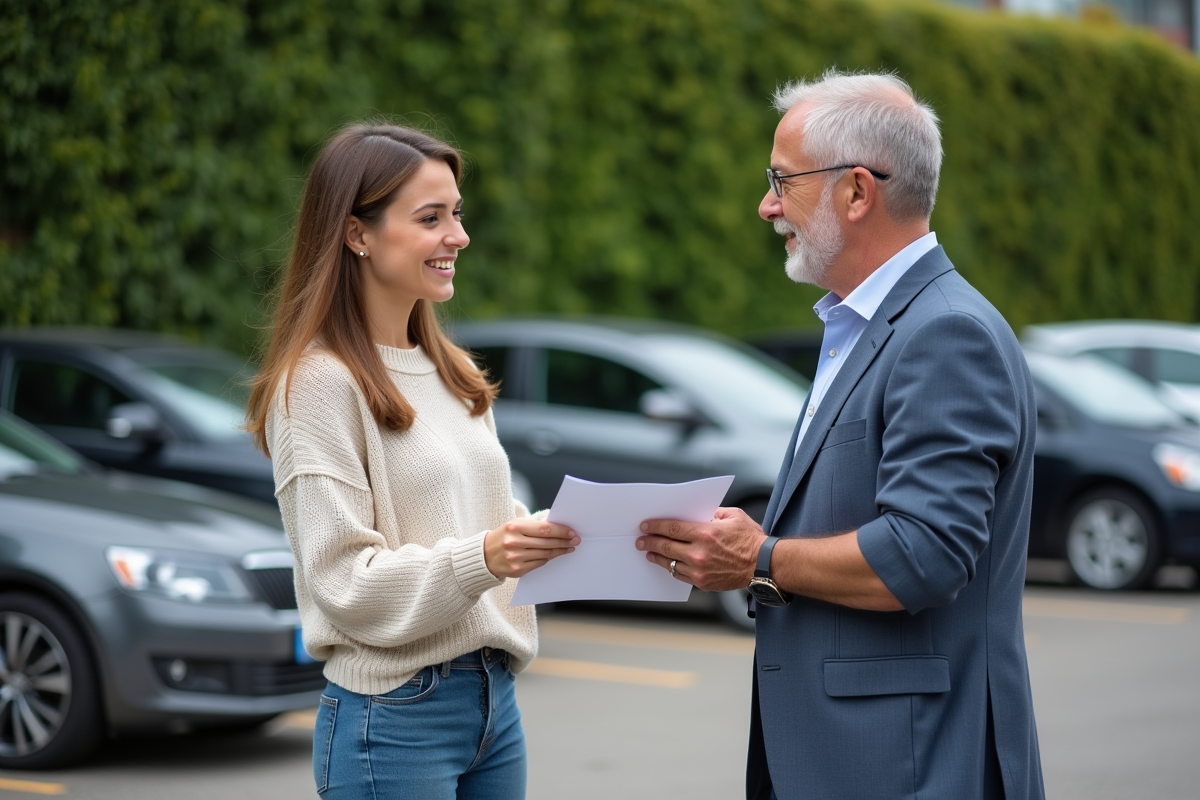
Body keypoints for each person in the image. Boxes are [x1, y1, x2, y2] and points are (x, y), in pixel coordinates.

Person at [636, 71, 1044, 800]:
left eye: (781, 181)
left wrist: (759, 558)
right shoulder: (868, 326)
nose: (766, 206)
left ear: (857, 192)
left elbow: (923, 555)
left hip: (911, 768)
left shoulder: (944, 334)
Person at [245, 122, 579, 799]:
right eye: (432, 218)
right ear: (357, 234)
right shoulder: (316, 384)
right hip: (394, 717)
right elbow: (343, 583)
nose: (459, 236)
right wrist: (488, 556)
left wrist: (576, 533)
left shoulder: (452, 369)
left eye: (456, 213)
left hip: (494, 700)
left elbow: (488, 522)